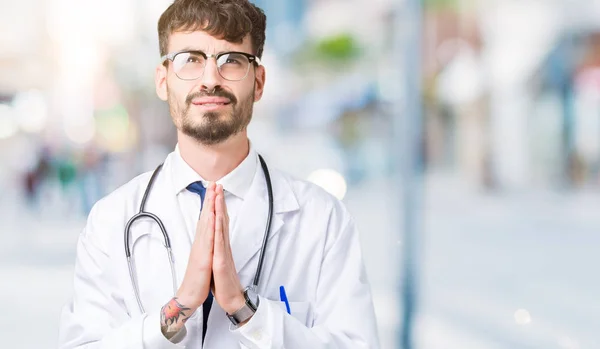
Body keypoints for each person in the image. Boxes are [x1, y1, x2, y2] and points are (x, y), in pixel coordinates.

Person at [58, 0, 380, 348]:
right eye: (190, 60)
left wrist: (247, 312)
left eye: (231, 61)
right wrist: (178, 308)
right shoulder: (111, 220)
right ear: (163, 81)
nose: (210, 79)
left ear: (258, 82)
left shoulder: (323, 220)